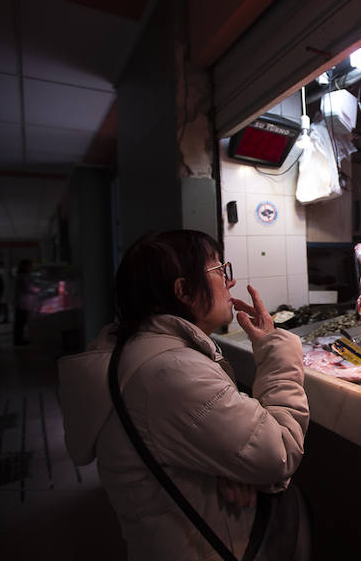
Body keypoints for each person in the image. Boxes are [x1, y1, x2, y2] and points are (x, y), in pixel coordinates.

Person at [58, 230, 310, 560]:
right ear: (185, 291)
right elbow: (279, 452)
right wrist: (278, 351)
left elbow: (194, 441)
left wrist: (230, 468)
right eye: (219, 271)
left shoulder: (136, 354)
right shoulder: (172, 373)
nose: (228, 282)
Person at [13, 259, 35, 346]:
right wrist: (37, 290)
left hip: (22, 303)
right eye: (30, 266)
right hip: (22, 303)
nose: (31, 268)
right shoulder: (23, 276)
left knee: (20, 323)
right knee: (20, 323)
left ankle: (19, 339)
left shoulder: (22, 275)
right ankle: (18, 340)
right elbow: (27, 288)